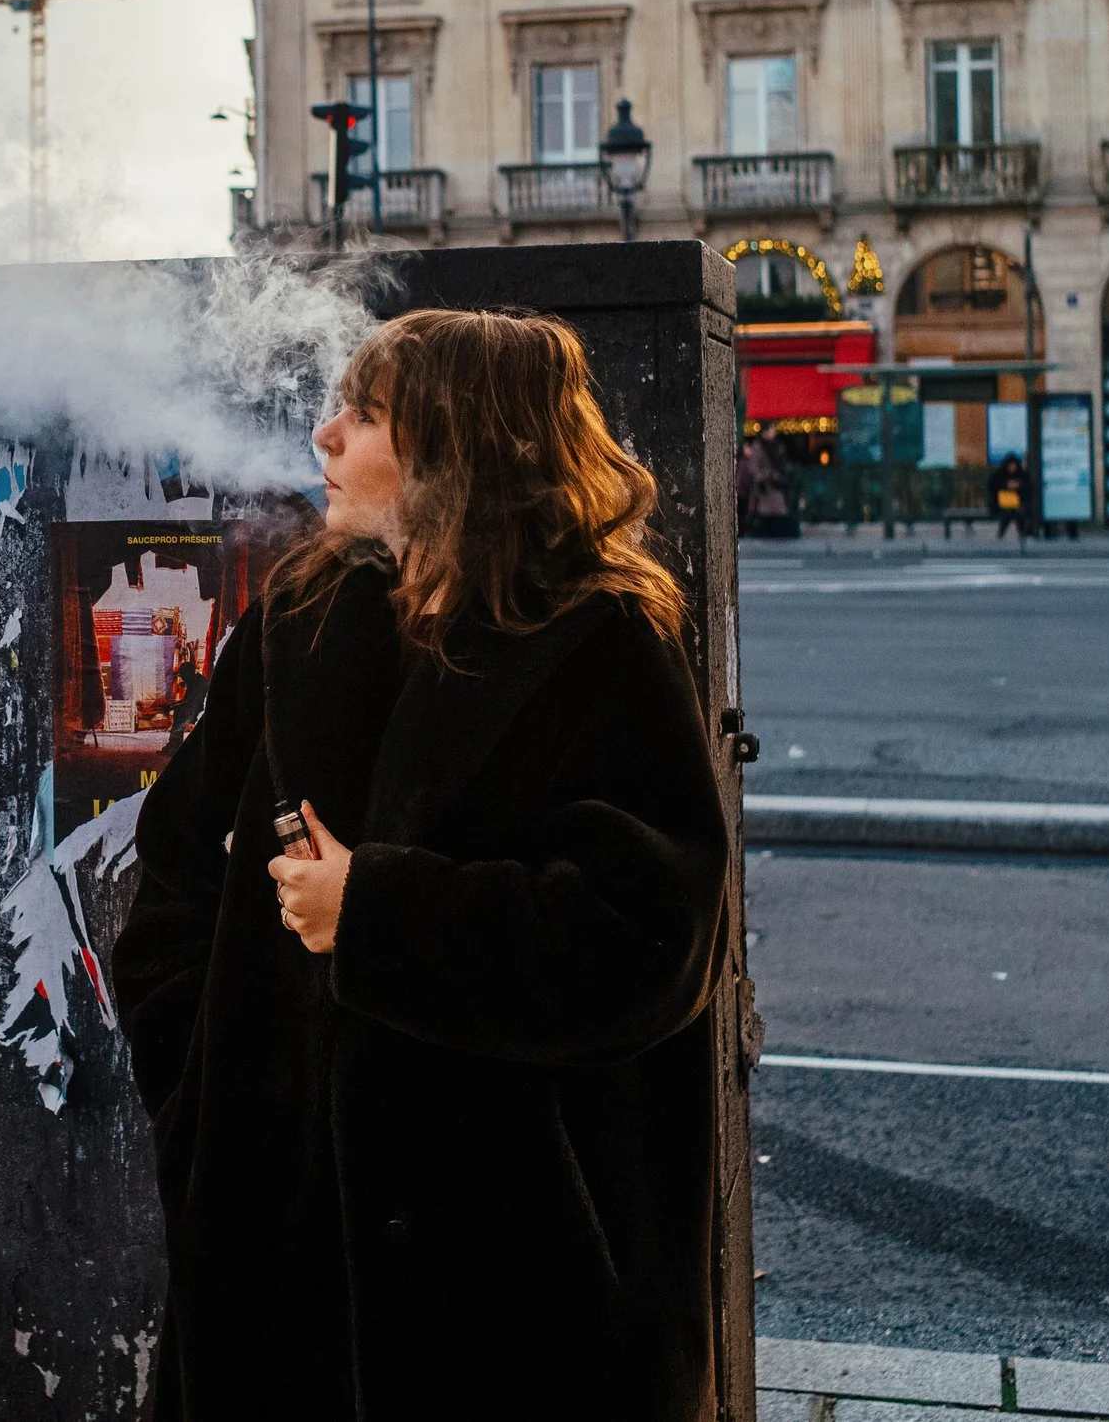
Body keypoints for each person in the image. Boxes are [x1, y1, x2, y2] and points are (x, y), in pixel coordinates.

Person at [113, 310, 729, 1422]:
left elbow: (649, 939)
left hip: (516, 1274)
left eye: (364, 413)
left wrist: (377, 910)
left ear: (456, 442)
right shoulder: (301, 616)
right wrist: (199, 1088)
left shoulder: (602, 641)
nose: (323, 436)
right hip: (275, 1243)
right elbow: (175, 866)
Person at [991, 451, 1029, 540]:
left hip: (1019, 503)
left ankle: (1022, 533)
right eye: (1010, 465)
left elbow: (1028, 489)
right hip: (1002, 503)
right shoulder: (999, 475)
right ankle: (1002, 533)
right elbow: (993, 488)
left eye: (1014, 465)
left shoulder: (1022, 475)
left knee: (1019, 513)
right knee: (1007, 513)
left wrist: (1018, 486)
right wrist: (1006, 485)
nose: (1012, 467)